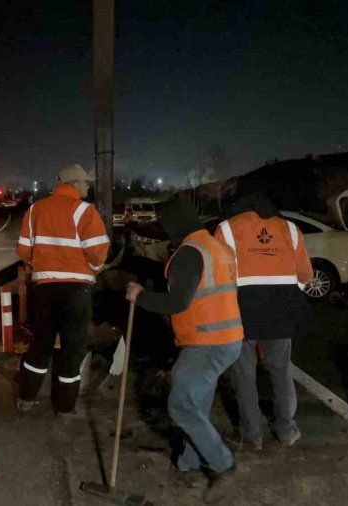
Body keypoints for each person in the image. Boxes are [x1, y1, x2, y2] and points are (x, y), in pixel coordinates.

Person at [126, 195, 242, 503]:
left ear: (173, 225)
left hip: (207, 342)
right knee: (197, 402)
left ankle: (222, 464)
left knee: (180, 405)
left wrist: (140, 297)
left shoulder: (190, 253)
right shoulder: (216, 247)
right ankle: (188, 462)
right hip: (228, 337)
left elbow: (178, 302)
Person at [214, 192, 313, 451]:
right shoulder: (290, 229)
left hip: (241, 311)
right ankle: (287, 431)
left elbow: (218, 274)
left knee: (244, 375)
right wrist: (286, 296)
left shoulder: (227, 228)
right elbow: (305, 274)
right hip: (280, 312)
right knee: (281, 370)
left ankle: (251, 436)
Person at [15, 164, 110, 417]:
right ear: (75, 184)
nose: (88, 186)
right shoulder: (84, 211)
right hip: (76, 291)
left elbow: (24, 250)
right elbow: (98, 251)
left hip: (45, 289)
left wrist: (43, 265)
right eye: (86, 182)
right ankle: (65, 409)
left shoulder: (35, 209)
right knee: (73, 348)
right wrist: (93, 269)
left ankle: (25, 398)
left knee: (40, 343)